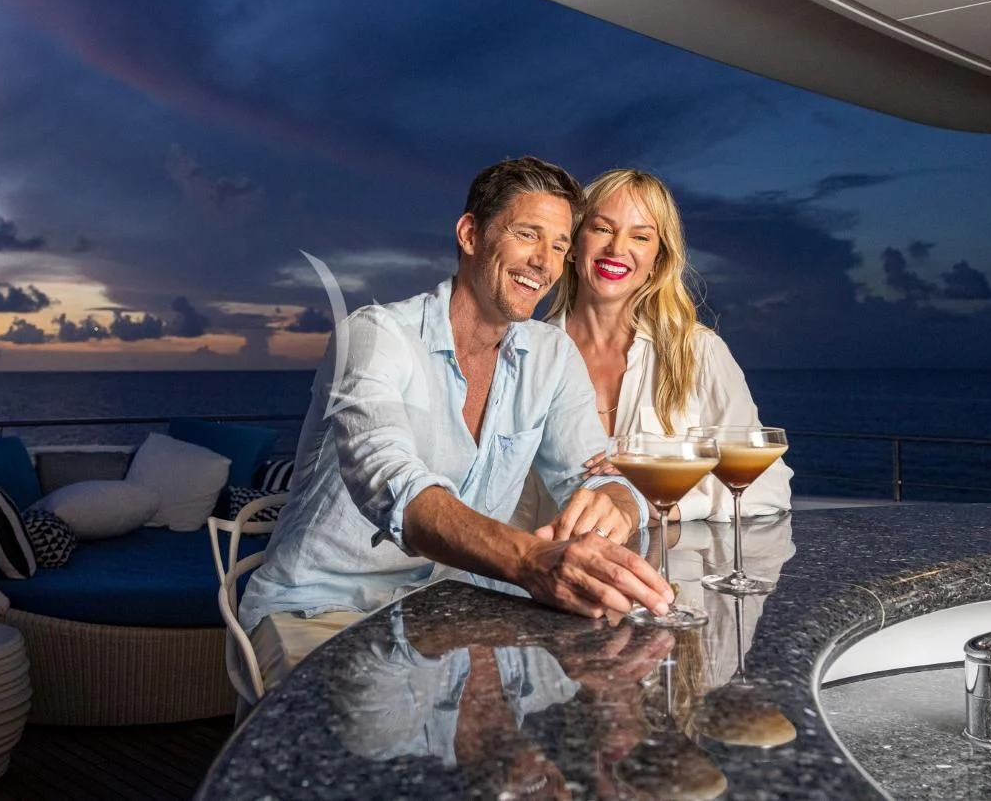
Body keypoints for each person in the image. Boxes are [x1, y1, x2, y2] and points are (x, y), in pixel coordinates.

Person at [239, 157, 673, 689]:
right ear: (470, 234)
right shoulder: (374, 336)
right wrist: (532, 558)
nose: (545, 262)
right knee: (368, 738)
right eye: (527, 235)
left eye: (560, 245)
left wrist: (619, 502)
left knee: (601, 688)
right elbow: (396, 487)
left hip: (456, 611)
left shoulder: (553, 355)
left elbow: (596, 473)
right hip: (323, 608)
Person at [537, 169, 792, 524]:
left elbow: (769, 488)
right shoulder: (527, 355)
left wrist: (656, 498)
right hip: (545, 570)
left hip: (669, 576)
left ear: (658, 259)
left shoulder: (699, 352)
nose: (617, 248)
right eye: (603, 228)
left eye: (641, 237)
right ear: (574, 241)